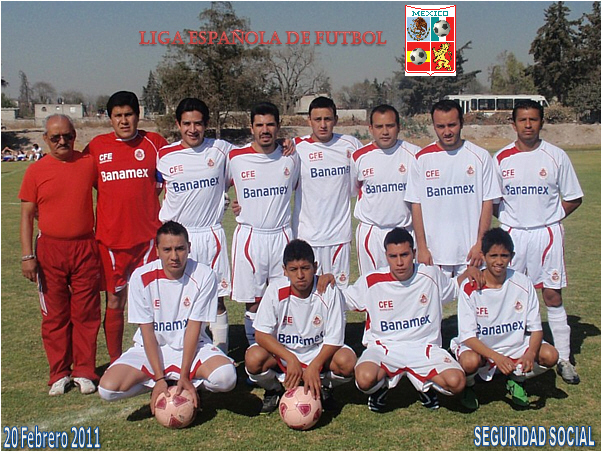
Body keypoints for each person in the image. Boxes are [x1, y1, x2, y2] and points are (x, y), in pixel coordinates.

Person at [98, 221, 237, 412]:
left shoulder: (204, 275)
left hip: (192, 347)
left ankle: (187, 384)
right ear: (157, 250)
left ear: (189, 247)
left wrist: (185, 374)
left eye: (180, 248)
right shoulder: (140, 277)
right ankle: (164, 385)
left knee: (226, 378)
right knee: (107, 389)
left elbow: (194, 327)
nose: (174, 256)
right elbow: (147, 331)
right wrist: (158, 378)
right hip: (151, 349)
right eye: (167, 249)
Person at [341, 227, 482, 412]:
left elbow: (455, 287)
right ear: (386, 256)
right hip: (385, 348)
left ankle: (424, 385)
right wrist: (321, 281)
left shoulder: (430, 275)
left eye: (404, 255)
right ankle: (381, 388)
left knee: (456, 382)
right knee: (364, 379)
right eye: (393, 256)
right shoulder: (372, 281)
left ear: (414, 253)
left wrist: (470, 272)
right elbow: (341, 300)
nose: (399, 262)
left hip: (424, 348)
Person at [493, 100, 583, 384]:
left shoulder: (556, 156)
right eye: (523, 120)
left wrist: (551, 218)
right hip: (513, 235)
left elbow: (574, 197)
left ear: (542, 122)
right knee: (509, 294)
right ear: (513, 124)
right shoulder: (501, 158)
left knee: (552, 294)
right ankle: (506, 352)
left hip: (546, 234)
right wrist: (510, 221)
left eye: (533, 119)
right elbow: (492, 201)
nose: (528, 125)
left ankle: (564, 358)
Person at [19, 114, 101, 396]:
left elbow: (110, 192)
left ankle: (84, 371)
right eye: (55, 137)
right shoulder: (36, 171)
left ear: (75, 135)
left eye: (68, 136)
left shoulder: (88, 163)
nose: (62, 141)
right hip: (50, 250)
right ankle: (59, 372)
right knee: (54, 315)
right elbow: (27, 215)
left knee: (86, 312)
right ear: (45, 139)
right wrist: (27, 256)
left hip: (85, 247)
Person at [84, 91, 168, 363]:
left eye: (128, 114)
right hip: (111, 241)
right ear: (110, 118)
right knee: (115, 301)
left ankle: (158, 357)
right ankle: (116, 360)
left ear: (137, 115)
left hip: (148, 239)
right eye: (118, 115)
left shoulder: (154, 143)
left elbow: (181, 167)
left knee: (155, 302)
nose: (124, 121)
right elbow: (78, 178)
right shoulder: (97, 147)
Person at [450, 228, 559, 409]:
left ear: (512, 256)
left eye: (504, 255)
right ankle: (469, 386)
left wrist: (530, 354)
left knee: (550, 355)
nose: (499, 261)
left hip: (513, 346)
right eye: (493, 256)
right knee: (470, 362)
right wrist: (496, 357)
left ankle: (517, 380)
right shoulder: (471, 287)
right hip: (482, 348)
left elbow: (536, 329)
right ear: (483, 256)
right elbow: (468, 336)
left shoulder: (523, 283)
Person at [245, 239, 357, 413]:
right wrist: (290, 358)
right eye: (293, 269)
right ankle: (274, 389)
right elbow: (261, 334)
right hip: (285, 354)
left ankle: (324, 387)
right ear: (284, 270)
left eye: (305, 268)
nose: (300, 275)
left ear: (315, 267)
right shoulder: (275, 290)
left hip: (317, 353)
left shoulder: (328, 290)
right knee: (253, 358)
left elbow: (335, 339)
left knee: (347, 361)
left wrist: (315, 365)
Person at [156, 98, 232, 354]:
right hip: (177, 239)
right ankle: (178, 353)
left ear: (206, 124)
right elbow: (152, 192)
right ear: (178, 124)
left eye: (198, 123)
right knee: (178, 298)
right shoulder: (164, 156)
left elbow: (253, 157)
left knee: (216, 299)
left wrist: (285, 143)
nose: (192, 129)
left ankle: (220, 353)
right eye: (187, 123)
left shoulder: (221, 150)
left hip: (210, 234)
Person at [226, 102, 300, 346]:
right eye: (259, 125)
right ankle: (255, 352)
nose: (265, 130)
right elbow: (215, 186)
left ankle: (285, 348)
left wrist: (291, 142)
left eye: (270, 124)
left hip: (282, 235)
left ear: (278, 126)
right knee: (254, 299)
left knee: (285, 295)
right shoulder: (235, 157)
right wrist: (231, 203)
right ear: (251, 127)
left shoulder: (291, 156)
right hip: (251, 237)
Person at [406, 99, 501, 278]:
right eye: (440, 126)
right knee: (433, 297)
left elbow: (487, 202)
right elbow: (416, 205)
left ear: (462, 123)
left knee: (473, 296)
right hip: (434, 255)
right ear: (434, 126)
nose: (447, 132)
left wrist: (480, 244)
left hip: (470, 254)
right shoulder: (421, 159)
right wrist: (422, 247)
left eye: (452, 125)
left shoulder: (480, 157)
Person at [292, 96, 363, 287]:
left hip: (339, 237)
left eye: (327, 119)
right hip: (307, 237)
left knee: (338, 291)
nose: (323, 125)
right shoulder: (296, 147)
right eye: (317, 119)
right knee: (308, 292)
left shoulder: (351, 145)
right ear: (309, 120)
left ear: (336, 120)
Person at [351, 105, 421, 274]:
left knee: (407, 282)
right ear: (370, 128)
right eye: (379, 126)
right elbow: (354, 189)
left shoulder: (415, 155)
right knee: (373, 283)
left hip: (405, 230)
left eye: (390, 126)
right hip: (372, 232)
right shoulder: (359, 157)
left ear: (399, 126)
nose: (385, 132)